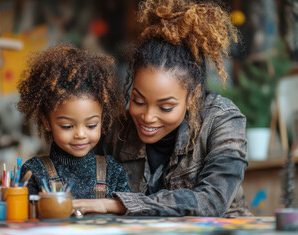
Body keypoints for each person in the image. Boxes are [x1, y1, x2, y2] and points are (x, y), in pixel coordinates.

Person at [72, 0, 253, 217]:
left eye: (166, 107)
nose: (147, 117)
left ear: (192, 97)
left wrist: (115, 205)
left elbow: (212, 201)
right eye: (138, 101)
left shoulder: (222, 121)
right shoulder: (116, 129)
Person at [17, 43, 130, 199]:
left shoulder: (113, 171)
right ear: (46, 122)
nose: (80, 134)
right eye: (67, 126)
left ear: (102, 119)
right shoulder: (34, 171)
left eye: (91, 125)